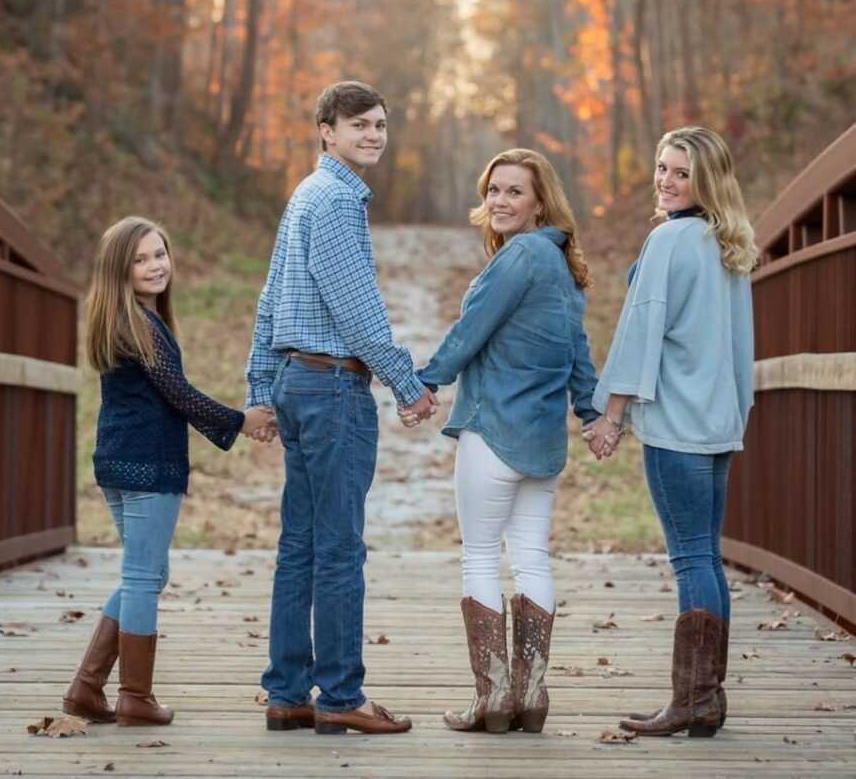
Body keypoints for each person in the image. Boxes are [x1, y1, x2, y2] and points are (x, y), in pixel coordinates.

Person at [246, 81, 437, 736]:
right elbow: (357, 311)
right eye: (360, 124)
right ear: (326, 130)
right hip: (331, 390)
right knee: (337, 548)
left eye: (381, 124)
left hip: (301, 386)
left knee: (299, 543)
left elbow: (270, 301)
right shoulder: (334, 202)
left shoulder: (306, 195)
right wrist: (406, 382)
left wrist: (262, 388)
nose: (374, 135)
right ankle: (341, 696)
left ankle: (289, 692)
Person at [410, 149, 599, 734]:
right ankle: (531, 696)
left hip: (494, 431)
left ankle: (493, 697)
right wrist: (590, 410)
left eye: (515, 191)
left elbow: (472, 330)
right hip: (542, 441)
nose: (499, 201)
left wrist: (426, 381)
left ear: (540, 202)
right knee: (533, 557)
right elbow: (578, 351)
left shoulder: (518, 257)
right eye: (493, 190)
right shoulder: (562, 265)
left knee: (479, 556)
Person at [585, 126, 757, 738]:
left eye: (680, 173)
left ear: (705, 181)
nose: (665, 180)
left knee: (691, 560)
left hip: (679, 430)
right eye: (662, 168)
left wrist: (611, 417)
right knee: (706, 558)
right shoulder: (730, 244)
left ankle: (692, 701)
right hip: (715, 428)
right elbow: (741, 352)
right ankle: (707, 699)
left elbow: (639, 334)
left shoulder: (669, 240)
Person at [63, 216, 266, 727]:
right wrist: (242, 422)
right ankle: (135, 695)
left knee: (146, 575)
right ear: (119, 271)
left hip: (116, 462)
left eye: (160, 254)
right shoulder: (139, 324)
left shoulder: (124, 320)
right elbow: (179, 394)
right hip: (146, 466)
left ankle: (87, 688)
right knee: (141, 576)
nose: (155, 266)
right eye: (140, 259)